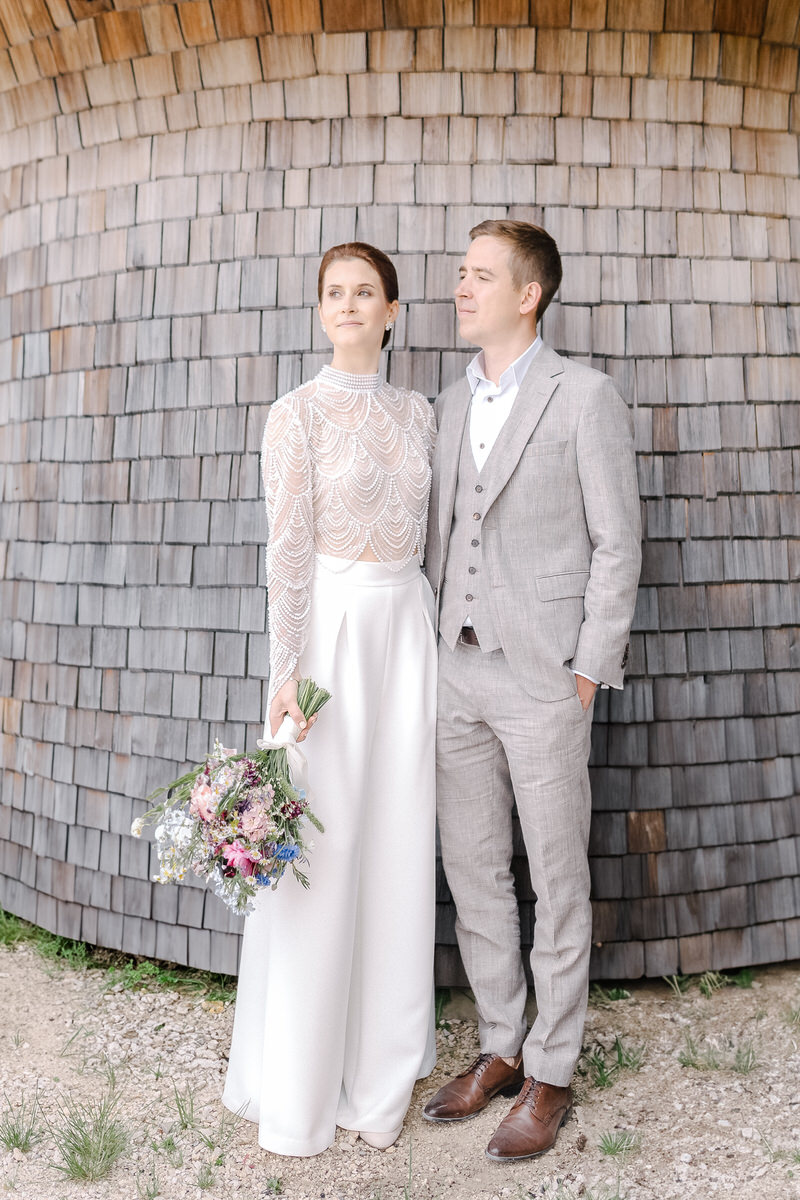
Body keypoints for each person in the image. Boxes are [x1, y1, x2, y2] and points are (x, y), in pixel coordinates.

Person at [422, 220, 641, 1161]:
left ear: (529, 294)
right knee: (474, 871)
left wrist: (587, 668)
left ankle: (552, 1070)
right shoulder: (445, 402)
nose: (462, 288)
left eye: (480, 276)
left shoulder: (584, 396)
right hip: (455, 671)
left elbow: (617, 542)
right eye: (460, 273)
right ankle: (502, 1046)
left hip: (545, 676)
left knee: (556, 879)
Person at [222, 243, 438, 1156]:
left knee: (397, 838)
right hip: (332, 639)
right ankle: (301, 1083)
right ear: (321, 312)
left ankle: (379, 1074)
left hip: (408, 634)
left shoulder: (420, 413)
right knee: (327, 842)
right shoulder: (296, 414)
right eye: (334, 293)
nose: (348, 305)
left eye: (365, 292)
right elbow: (286, 550)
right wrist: (286, 673)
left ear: (392, 311)